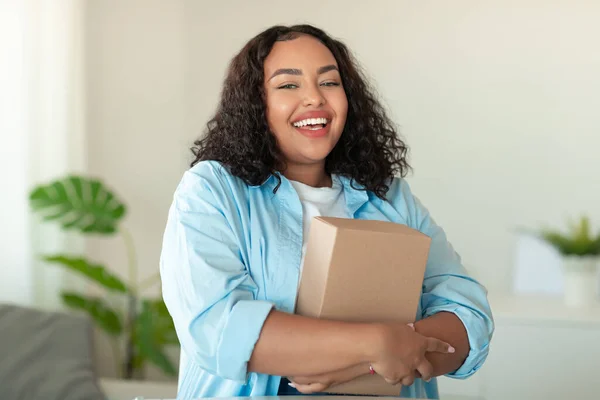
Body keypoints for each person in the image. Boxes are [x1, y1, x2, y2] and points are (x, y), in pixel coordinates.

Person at [159, 24, 494, 400]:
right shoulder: (212, 190)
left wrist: (366, 363)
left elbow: (469, 315)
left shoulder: (390, 197)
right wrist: (376, 344)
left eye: (329, 83)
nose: (314, 99)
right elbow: (219, 329)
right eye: (289, 85)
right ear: (256, 104)